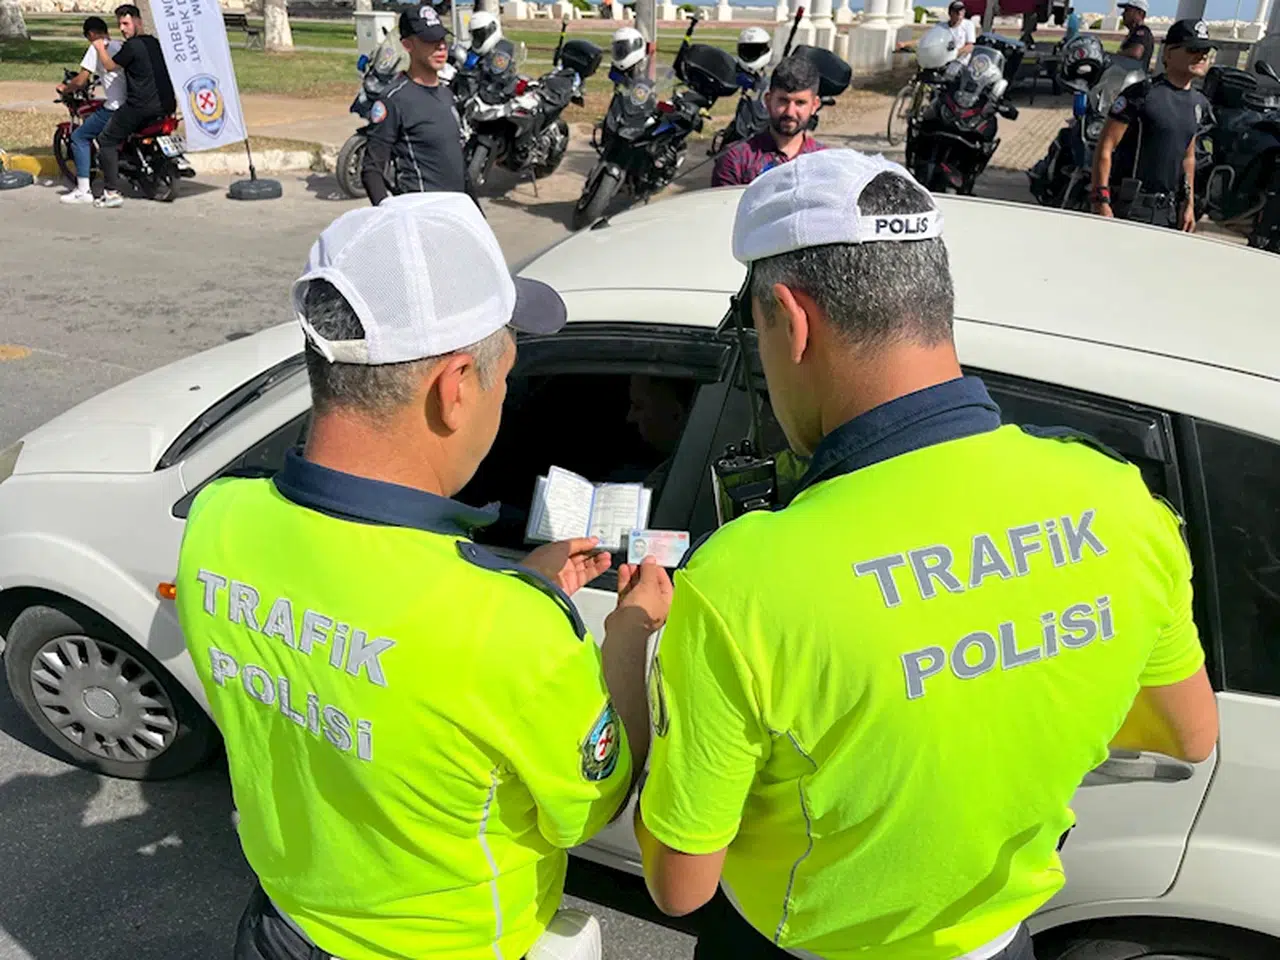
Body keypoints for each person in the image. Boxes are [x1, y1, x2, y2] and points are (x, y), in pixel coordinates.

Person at [633, 149, 1219, 959]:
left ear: (793, 321)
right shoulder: (1118, 498)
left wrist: (637, 663)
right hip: (998, 941)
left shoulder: (741, 583)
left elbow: (679, 883)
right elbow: (1189, 735)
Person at [174, 192, 671, 960]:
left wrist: (519, 593)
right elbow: (593, 808)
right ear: (455, 387)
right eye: (505, 378)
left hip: (282, 928)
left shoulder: (218, 520)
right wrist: (627, 629)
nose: (503, 400)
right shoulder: (509, 629)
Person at [1092, 19, 1214, 232]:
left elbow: (1188, 156)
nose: (1202, 56)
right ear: (1168, 53)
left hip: (1168, 210)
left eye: (1206, 51)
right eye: (1194, 49)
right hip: (1131, 206)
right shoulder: (1142, 94)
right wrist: (1101, 199)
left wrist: (1189, 205)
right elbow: (1106, 146)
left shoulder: (1199, 103)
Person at [361, 5, 467, 206]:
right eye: (430, 41)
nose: (441, 47)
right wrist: (391, 214)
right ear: (407, 45)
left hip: (455, 213)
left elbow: (458, 165)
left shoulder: (446, 95)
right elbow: (372, 170)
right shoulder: (393, 100)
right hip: (420, 215)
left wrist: (476, 213)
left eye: (442, 39)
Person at [88, 4, 175, 210]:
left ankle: (111, 192)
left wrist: (100, 48)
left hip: (141, 107)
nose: (123, 29)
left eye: (126, 23)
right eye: (120, 25)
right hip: (166, 104)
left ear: (138, 22)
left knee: (106, 139)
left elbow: (110, 66)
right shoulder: (154, 43)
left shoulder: (132, 46)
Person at [712, 56, 827, 188]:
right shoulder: (736, 158)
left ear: (814, 105)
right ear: (768, 100)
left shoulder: (825, 161)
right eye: (783, 101)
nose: (790, 112)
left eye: (800, 103)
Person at [56, 16, 124, 205]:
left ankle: (83, 190)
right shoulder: (119, 45)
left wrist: (66, 88)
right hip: (131, 105)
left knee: (79, 137)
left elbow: (81, 80)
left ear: (92, 34)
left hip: (115, 106)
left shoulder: (96, 47)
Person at [1117, 0, 1155, 70]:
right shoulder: (1133, 33)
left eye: (1127, 10)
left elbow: (1136, 53)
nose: (1123, 14)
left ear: (1140, 13)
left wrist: (1114, 55)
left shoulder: (1142, 32)